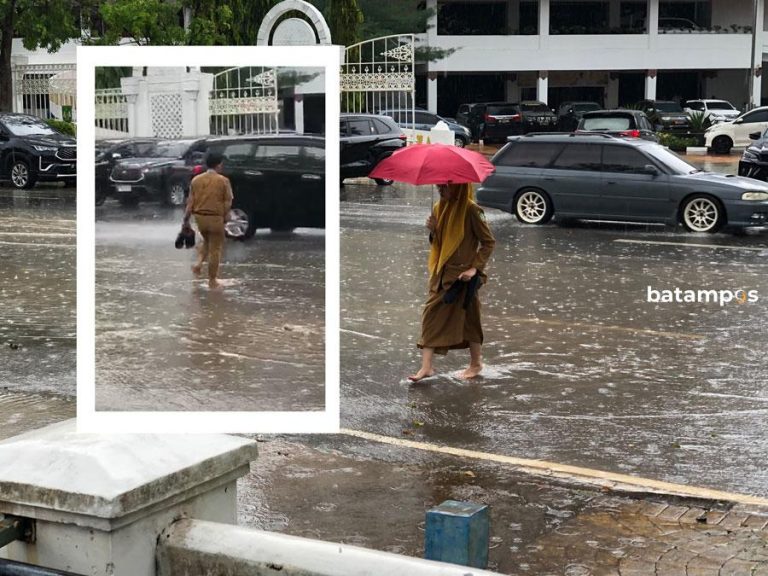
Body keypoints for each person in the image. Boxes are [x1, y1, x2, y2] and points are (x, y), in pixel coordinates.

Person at [409, 182, 496, 382]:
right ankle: (427, 367)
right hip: (441, 275)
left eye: (446, 185)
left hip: (463, 279)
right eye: (439, 184)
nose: (440, 188)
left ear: (459, 186)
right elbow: (440, 244)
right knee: (431, 314)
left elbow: (488, 242)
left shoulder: (472, 210)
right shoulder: (440, 208)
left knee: (470, 319)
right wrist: (433, 231)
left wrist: (474, 268)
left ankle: (475, 364)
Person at [183, 151, 233, 290]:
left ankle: (198, 264)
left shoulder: (196, 180)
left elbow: (190, 202)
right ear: (219, 164)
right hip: (215, 217)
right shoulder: (223, 181)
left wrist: (186, 220)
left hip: (200, 218)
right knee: (215, 249)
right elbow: (227, 202)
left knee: (206, 241)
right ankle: (212, 281)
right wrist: (225, 217)